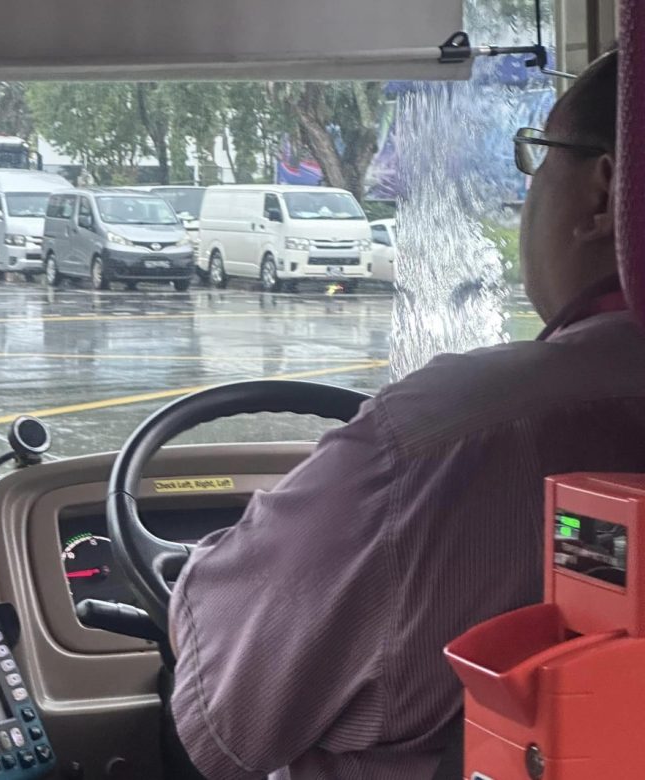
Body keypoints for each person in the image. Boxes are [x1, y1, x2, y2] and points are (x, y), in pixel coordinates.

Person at [168, 50, 640, 780]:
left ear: (604, 191)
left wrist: (187, 578)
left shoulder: (438, 437)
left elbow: (231, 716)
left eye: (541, 154)